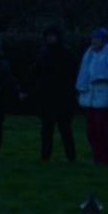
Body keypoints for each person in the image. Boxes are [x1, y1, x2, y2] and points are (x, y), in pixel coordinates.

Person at [26, 26, 77, 162]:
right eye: (48, 36)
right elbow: (35, 72)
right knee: (46, 129)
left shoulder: (67, 53)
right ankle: (45, 156)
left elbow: (72, 75)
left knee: (65, 129)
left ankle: (71, 156)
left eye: (52, 36)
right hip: (47, 97)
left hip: (62, 97)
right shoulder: (44, 53)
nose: (50, 38)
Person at [76, 28, 108, 165]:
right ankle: (96, 156)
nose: (94, 41)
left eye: (98, 38)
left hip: (103, 100)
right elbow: (84, 75)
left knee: (102, 130)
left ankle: (105, 157)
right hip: (90, 99)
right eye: (93, 38)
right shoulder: (88, 56)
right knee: (91, 131)